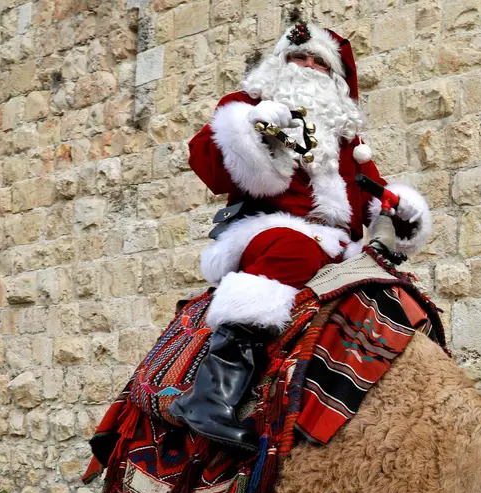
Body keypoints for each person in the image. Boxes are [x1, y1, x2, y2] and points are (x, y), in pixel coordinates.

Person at [170, 22, 432, 451]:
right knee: (294, 250)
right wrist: (254, 130)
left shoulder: (348, 141)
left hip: (339, 249)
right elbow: (212, 167)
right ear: (281, 62)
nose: (308, 66)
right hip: (269, 230)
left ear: (335, 78)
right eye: (298, 57)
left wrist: (401, 213)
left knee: (399, 296)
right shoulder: (244, 106)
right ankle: (210, 395)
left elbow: (372, 196)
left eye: (319, 61)